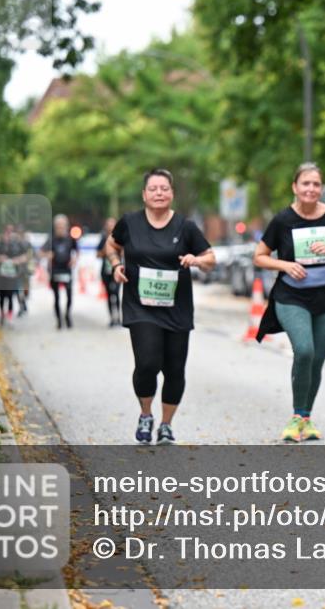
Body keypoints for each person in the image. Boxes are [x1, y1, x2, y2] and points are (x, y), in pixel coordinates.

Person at [104, 169, 215, 445]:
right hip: (140, 306)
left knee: (175, 369)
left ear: (172, 193)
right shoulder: (129, 222)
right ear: (144, 194)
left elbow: (210, 257)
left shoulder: (185, 227)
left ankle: (166, 424)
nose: (159, 193)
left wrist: (196, 260)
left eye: (164, 188)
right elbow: (111, 245)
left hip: (176, 308)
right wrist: (116, 265)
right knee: (147, 363)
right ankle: (145, 414)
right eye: (153, 189)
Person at [253, 163, 325, 443]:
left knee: (317, 361)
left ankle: (306, 418)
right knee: (305, 351)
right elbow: (259, 256)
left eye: (316, 184)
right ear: (295, 188)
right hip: (292, 296)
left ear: (321, 189)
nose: (311, 189)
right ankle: (297, 416)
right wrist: (285, 265)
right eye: (305, 184)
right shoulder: (283, 220)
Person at [42, 215, 79, 329]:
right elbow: (41, 252)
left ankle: (67, 315)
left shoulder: (70, 238)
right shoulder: (51, 238)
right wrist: (48, 255)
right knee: (56, 297)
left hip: (66, 270)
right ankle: (59, 320)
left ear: (66, 226)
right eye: (58, 226)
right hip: (55, 270)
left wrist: (74, 259)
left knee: (69, 295)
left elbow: (77, 251)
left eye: (62, 226)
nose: (60, 228)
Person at [0, 225, 27, 326]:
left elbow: (25, 256)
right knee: (2, 296)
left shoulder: (17, 244)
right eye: (7, 231)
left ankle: (10, 316)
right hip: (0, 275)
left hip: (12, 275)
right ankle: (2, 313)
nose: (8, 234)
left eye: (10, 231)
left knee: (11, 296)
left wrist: (17, 260)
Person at [97, 217, 122, 327]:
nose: (110, 227)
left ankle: (118, 318)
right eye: (108, 224)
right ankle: (112, 318)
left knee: (116, 293)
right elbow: (97, 254)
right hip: (105, 271)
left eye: (112, 224)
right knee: (109, 294)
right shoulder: (103, 238)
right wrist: (106, 250)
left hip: (118, 270)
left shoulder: (120, 238)